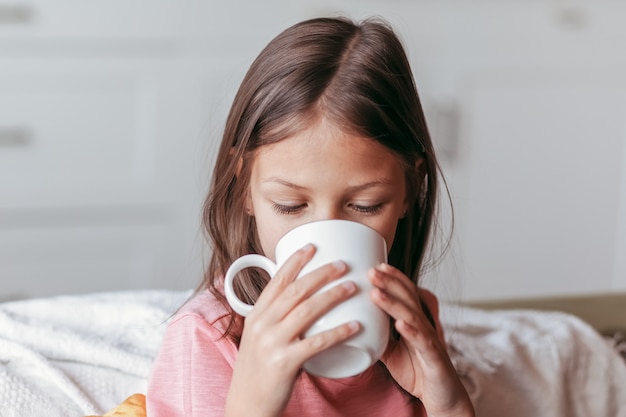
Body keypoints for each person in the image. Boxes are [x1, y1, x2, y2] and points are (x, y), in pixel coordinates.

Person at [146, 16, 475, 417]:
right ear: (244, 186)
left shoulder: (413, 322)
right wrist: (250, 404)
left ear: (410, 190)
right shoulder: (209, 339)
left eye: (366, 205)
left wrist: (448, 402)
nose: (322, 238)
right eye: (289, 205)